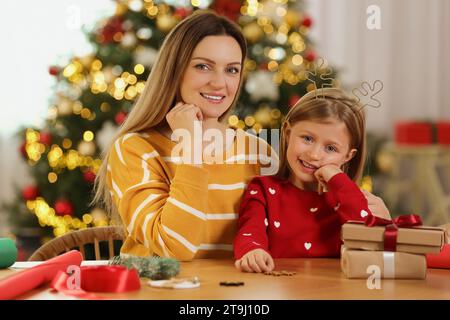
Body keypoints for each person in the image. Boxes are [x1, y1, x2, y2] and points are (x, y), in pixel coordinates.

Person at [92, 10, 277, 261]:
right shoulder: (133, 149)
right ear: (175, 71)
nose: (219, 83)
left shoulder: (260, 152)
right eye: (203, 66)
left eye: (232, 70)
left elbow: (283, 241)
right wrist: (191, 146)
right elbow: (174, 247)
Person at [234, 88, 391, 273]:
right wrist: (253, 251)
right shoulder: (263, 190)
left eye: (331, 148)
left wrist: (339, 181)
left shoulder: (352, 200)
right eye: (307, 138)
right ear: (287, 132)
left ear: (348, 156)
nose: (314, 155)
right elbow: (250, 231)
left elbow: (370, 242)